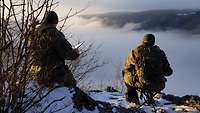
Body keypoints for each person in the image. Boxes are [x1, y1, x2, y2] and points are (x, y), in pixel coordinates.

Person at [31, 11, 96, 110]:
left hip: (35, 70)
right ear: (55, 22)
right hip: (52, 71)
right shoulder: (53, 33)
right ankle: (73, 107)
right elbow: (67, 53)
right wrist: (75, 53)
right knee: (72, 85)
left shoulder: (35, 33)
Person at [122, 34, 173, 105]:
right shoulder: (160, 53)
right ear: (153, 42)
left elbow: (127, 66)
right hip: (158, 85)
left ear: (143, 41)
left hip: (142, 84)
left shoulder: (136, 51)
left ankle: (133, 99)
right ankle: (150, 98)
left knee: (124, 73)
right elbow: (169, 72)